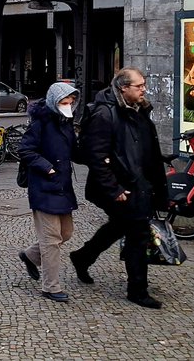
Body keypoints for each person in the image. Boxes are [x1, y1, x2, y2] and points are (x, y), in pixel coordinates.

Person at [69, 67, 168, 309]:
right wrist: (114, 189)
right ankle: (137, 290)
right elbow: (96, 157)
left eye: (143, 84)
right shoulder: (105, 114)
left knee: (119, 226)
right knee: (138, 234)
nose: (144, 89)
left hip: (139, 183)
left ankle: (82, 257)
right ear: (123, 88)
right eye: (139, 85)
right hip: (121, 187)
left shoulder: (138, 110)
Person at [17, 82, 80, 302]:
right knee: (51, 239)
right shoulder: (40, 123)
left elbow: (74, 150)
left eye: (71, 101)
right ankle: (51, 287)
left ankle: (29, 255)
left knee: (66, 233)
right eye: (64, 102)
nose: (68, 105)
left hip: (62, 186)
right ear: (55, 102)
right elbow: (25, 149)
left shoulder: (66, 122)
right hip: (44, 186)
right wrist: (47, 167)